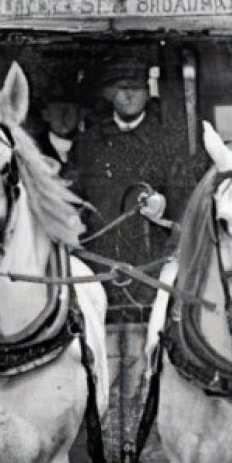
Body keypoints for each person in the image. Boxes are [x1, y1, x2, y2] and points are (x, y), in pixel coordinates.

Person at [66, 58, 199, 295]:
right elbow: (70, 195)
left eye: (136, 89)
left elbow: (188, 201)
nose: (129, 96)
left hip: (154, 263)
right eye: (121, 89)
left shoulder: (167, 141)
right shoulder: (88, 144)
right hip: (99, 264)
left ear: (148, 93)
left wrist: (164, 206)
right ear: (108, 94)